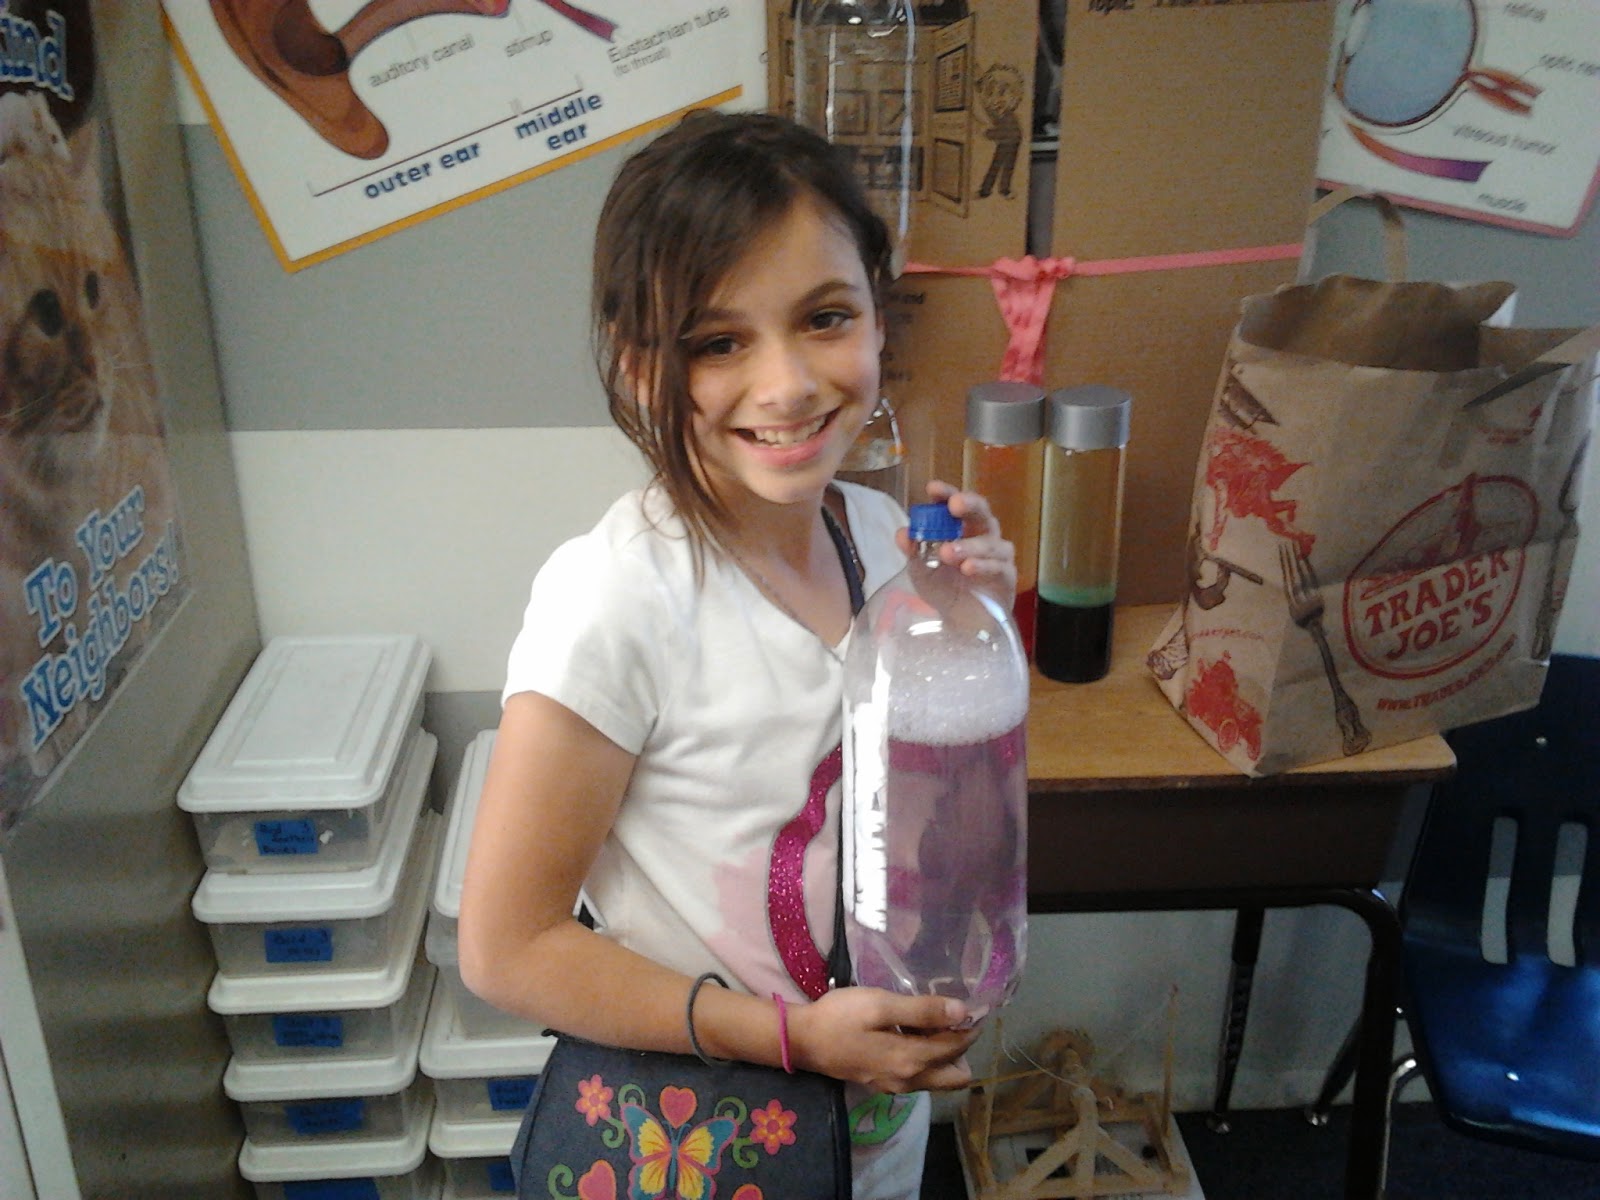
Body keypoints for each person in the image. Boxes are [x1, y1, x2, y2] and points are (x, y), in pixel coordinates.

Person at [458, 108, 1018, 1199]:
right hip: (708, 1142)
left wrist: (969, 626)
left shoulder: (878, 539)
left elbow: (929, 807)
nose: (787, 385)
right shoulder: (616, 600)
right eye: (718, 343)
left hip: (875, 1130)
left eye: (824, 318)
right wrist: (796, 1039)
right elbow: (506, 947)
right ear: (638, 366)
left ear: (877, 315)